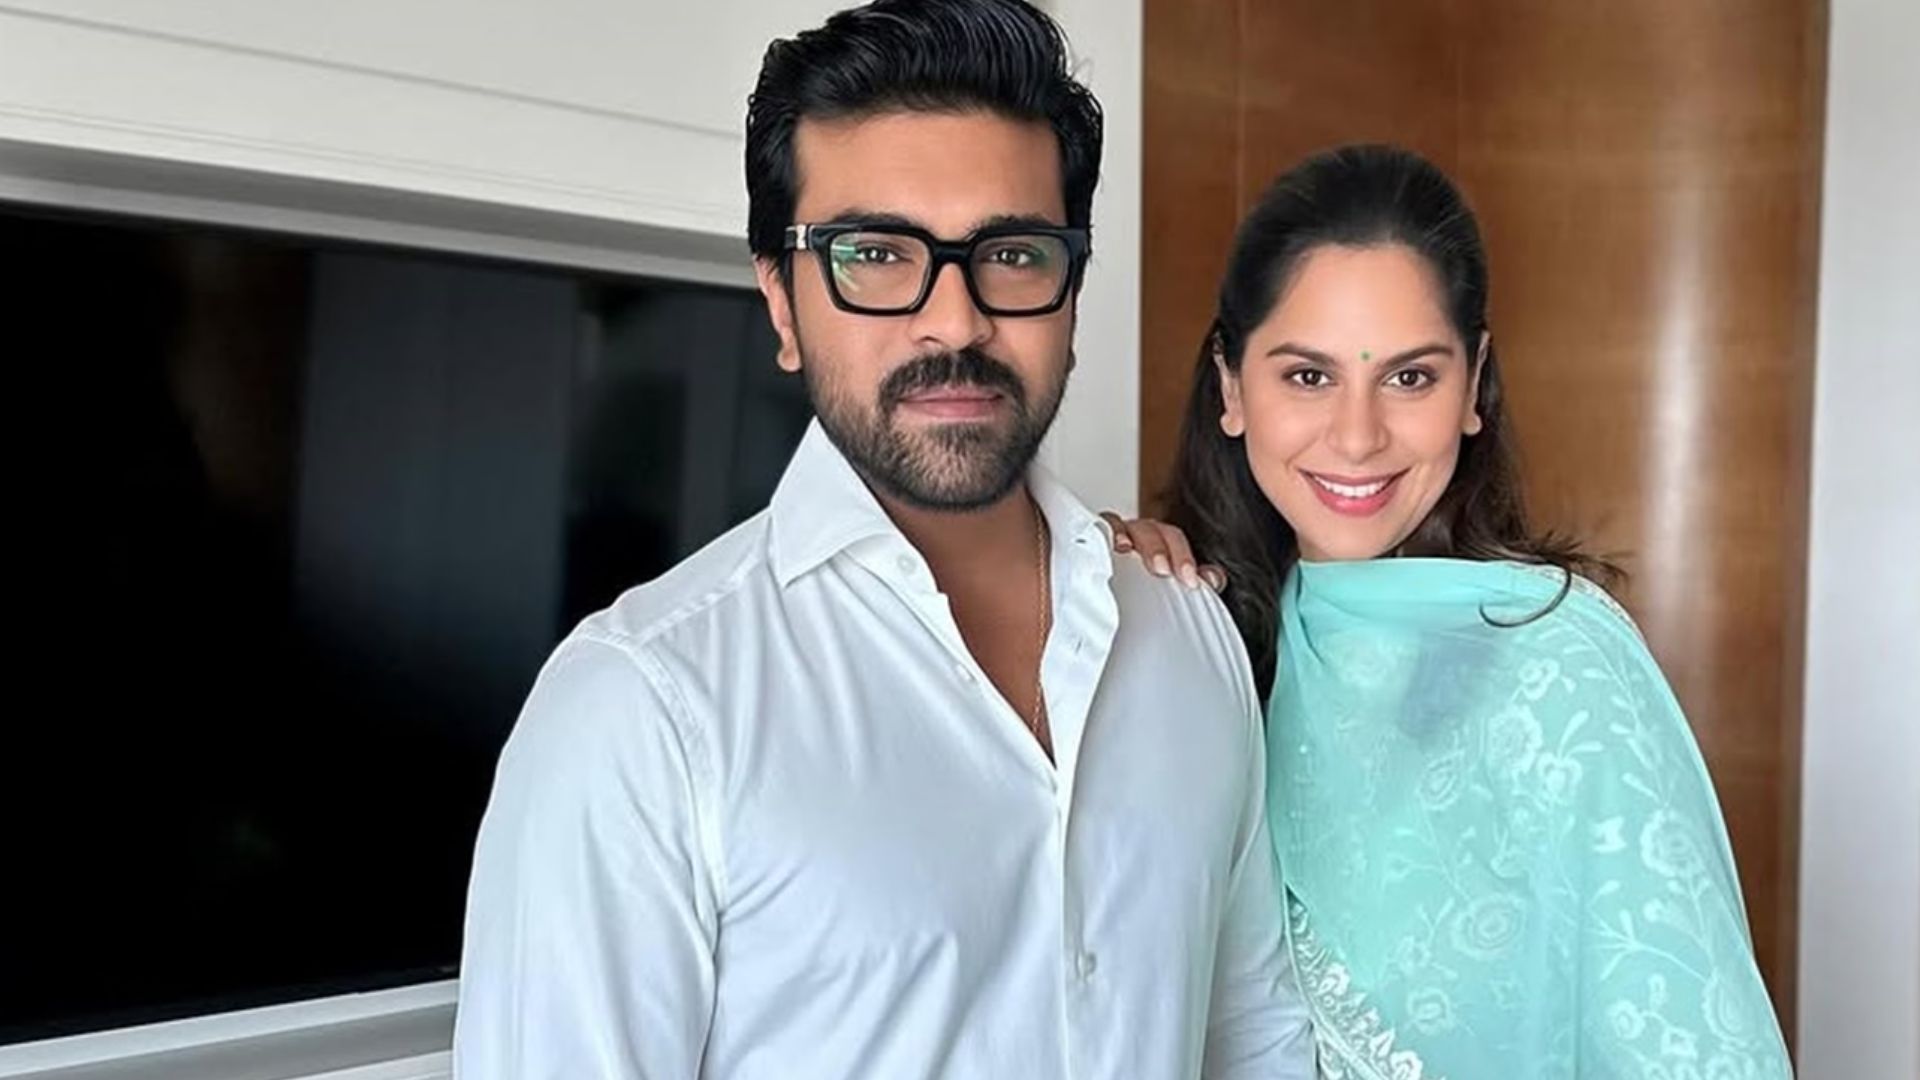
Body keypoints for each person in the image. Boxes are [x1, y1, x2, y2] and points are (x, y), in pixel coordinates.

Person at [452, 2, 1315, 1078]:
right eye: (874, 253)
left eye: (1012, 252)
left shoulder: (1186, 637)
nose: (954, 321)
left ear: (1072, 292)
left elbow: (1255, 1043)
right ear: (782, 301)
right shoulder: (639, 710)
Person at [1112, 144, 1792, 1078]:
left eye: (1410, 378)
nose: (1358, 436)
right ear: (1231, 386)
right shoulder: (1207, 641)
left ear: (1473, 385)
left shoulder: (1558, 667)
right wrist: (1120, 587)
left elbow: (1698, 1048)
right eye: (1308, 376)